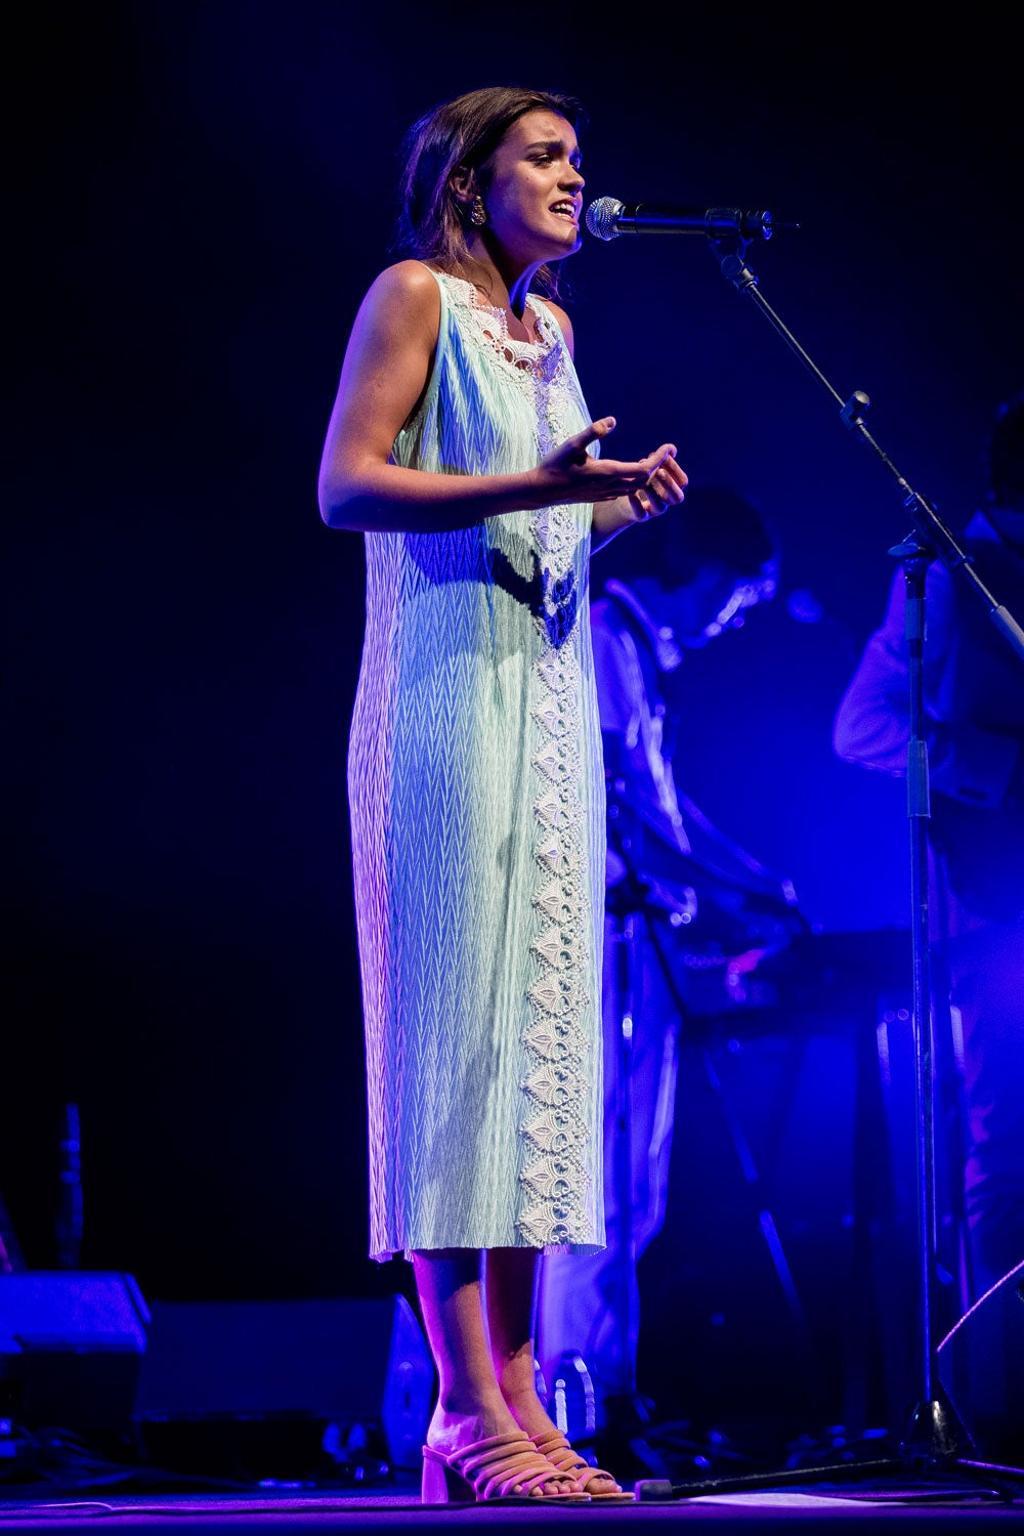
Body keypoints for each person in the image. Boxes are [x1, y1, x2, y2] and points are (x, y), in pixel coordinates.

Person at [317, 86, 688, 1503]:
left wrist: (604, 501)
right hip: (440, 713)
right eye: (546, 154)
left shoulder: (557, 333)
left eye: (579, 157)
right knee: (446, 1054)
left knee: (534, 1061)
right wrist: (520, 483)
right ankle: (461, 1413)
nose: (575, 175)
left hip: (549, 718)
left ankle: (525, 1403)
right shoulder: (410, 294)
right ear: (470, 178)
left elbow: (538, 508)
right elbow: (347, 487)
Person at [537, 488, 794, 1462]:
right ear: (710, 574)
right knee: (593, 1179)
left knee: (635, 1188)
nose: (733, 623)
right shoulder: (603, 637)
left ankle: (608, 1393)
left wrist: (750, 880)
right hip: (600, 937)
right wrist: (731, 891)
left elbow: (666, 810)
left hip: (637, 943)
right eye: (738, 600)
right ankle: (580, 1405)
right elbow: (621, 814)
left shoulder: (640, 656)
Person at [834, 394, 1024, 1299]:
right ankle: (1002, 1392)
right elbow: (862, 728)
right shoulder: (954, 574)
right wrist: (999, 769)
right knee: (1008, 1139)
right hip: (992, 898)